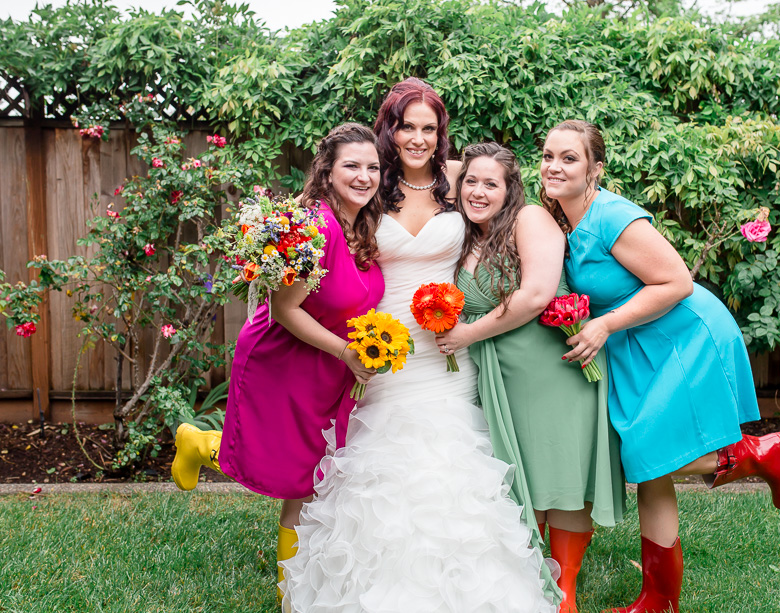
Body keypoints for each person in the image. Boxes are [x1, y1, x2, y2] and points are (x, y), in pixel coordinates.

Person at [279, 79, 558, 613]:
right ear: (389, 128)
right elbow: (312, 219)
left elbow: (502, 196)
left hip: (447, 349)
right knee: (383, 463)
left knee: (451, 462)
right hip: (383, 349)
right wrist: (271, 246)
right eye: (407, 126)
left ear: (441, 133)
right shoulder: (369, 182)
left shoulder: (455, 179)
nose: (418, 138)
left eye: (429, 128)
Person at [540, 119, 780, 613]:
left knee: (645, 454)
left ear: (595, 169)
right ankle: (659, 601)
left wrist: (603, 325)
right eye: (549, 156)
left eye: (569, 158)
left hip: (682, 334)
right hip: (638, 342)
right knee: (650, 471)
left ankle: (758, 454)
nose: (554, 166)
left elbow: (677, 282)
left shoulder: (612, 216)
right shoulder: (564, 220)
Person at [170, 123, 385, 595]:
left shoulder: (364, 226)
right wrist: (347, 352)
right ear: (327, 171)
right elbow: (286, 310)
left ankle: (201, 443)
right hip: (284, 359)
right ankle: (294, 596)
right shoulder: (316, 226)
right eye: (351, 165)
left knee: (309, 475)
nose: (364, 176)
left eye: (373, 167)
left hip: (329, 365)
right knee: (298, 477)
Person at [434, 142, 627, 613]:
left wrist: (466, 334)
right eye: (470, 182)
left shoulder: (530, 219)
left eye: (492, 183)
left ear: (511, 189)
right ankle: (531, 582)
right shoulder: (467, 233)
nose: (478, 191)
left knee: (561, 475)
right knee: (521, 477)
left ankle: (566, 595)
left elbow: (537, 294)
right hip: (501, 374)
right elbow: (432, 167)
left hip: (551, 367)